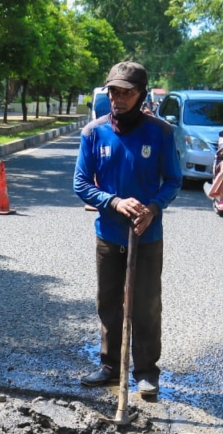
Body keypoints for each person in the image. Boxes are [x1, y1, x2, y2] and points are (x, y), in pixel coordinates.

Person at [73, 61, 182, 397]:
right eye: (114, 92)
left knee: (146, 304)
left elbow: (174, 180)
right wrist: (113, 201)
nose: (119, 98)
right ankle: (110, 366)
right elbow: (80, 183)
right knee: (109, 301)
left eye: (127, 92)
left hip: (146, 236)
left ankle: (146, 372)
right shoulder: (94, 132)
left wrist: (153, 207)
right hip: (109, 234)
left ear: (141, 94)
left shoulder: (161, 132)